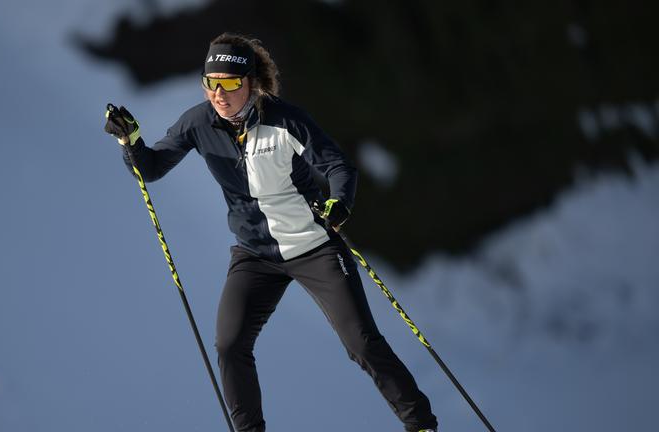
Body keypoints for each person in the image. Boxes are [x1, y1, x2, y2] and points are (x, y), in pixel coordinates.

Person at [104, 32, 438, 432]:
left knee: (361, 343)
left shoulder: (285, 119)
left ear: (251, 82)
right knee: (230, 346)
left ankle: (421, 424)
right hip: (255, 255)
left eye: (229, 83)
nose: (219, 94)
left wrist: (340, 204)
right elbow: (151, 168)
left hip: (313, 247)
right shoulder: (198, 123)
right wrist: (130, 141)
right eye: (211, 83)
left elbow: (338, 166)